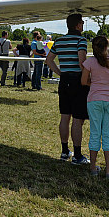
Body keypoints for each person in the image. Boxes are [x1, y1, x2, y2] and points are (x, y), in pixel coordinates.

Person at [45, 13, 90, 164]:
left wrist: (60, 73)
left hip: (64, 81)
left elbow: (49, 60)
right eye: (82, 23)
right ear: (78, 25)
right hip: (77, 80)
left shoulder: (59, 41)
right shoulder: (81, 40)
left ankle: (65, 152)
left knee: (65, 117)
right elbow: (82, 62)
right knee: (77, 119)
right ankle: (77, 155)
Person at [81, 35, 109, 179]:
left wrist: (96, 84)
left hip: (94, 100)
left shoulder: (90, 62)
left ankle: (93, 168)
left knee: (95, 132)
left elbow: (83, 81)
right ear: (107, 47)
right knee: (108, 133)